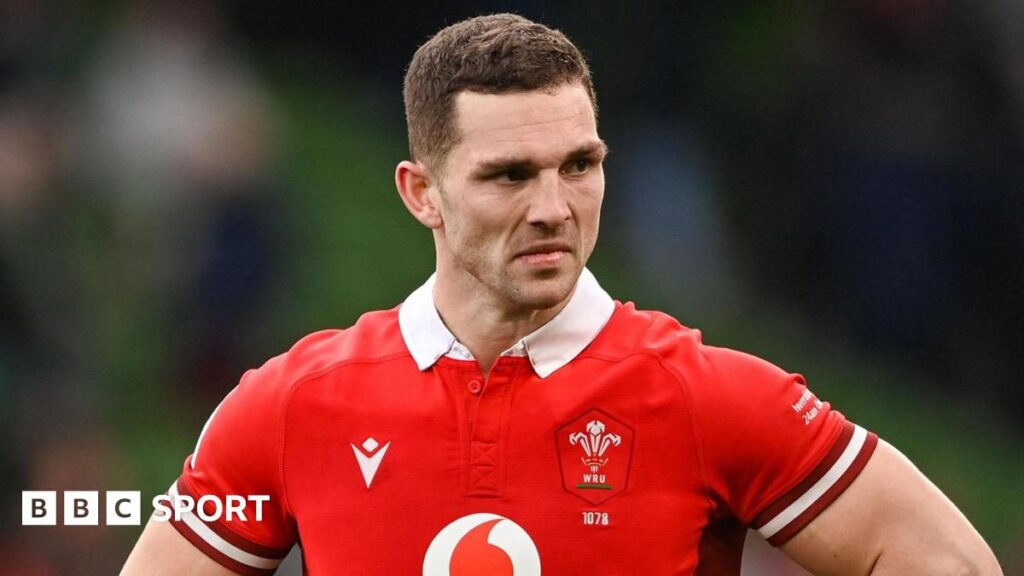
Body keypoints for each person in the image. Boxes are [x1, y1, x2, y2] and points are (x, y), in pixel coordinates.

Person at [121, 13, 1003, 575]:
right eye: (509, 175)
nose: (554, 208)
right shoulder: (295, 405)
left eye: (579, 166)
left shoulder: (705, 395)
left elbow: (943, 561)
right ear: (419, 192)